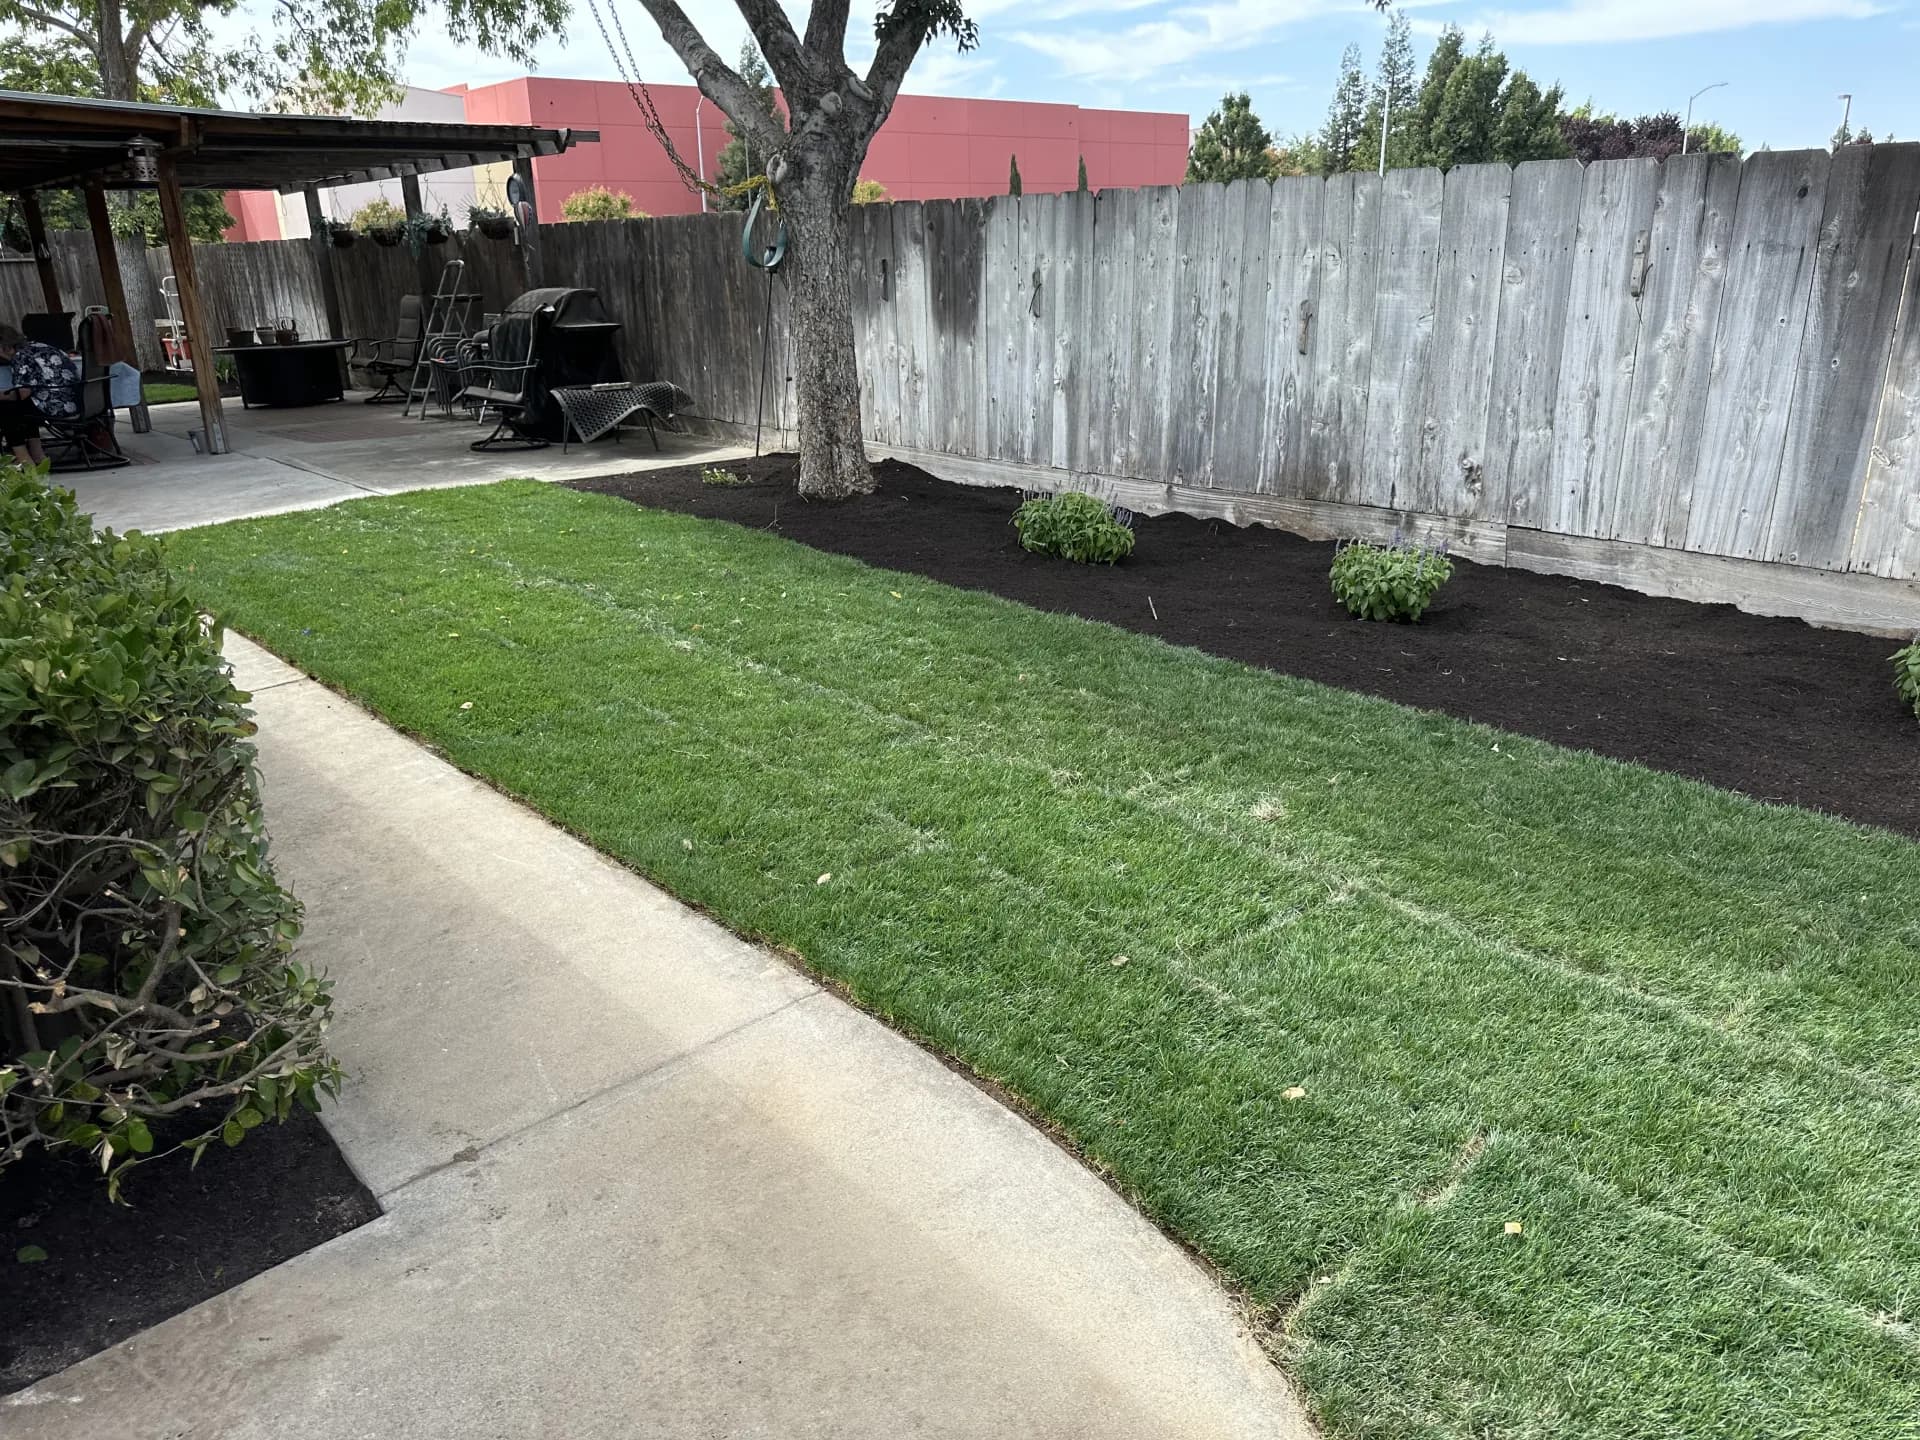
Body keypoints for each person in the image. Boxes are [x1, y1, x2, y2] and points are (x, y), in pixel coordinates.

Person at [0, 320, 80, 467]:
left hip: (56, 405)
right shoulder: (38, 346)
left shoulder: (20, 357)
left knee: (6, 408)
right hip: (74, 400)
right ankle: (37, 455)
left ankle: (24, 460)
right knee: (25, 404)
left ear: (4, 346)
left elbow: (21, 393)